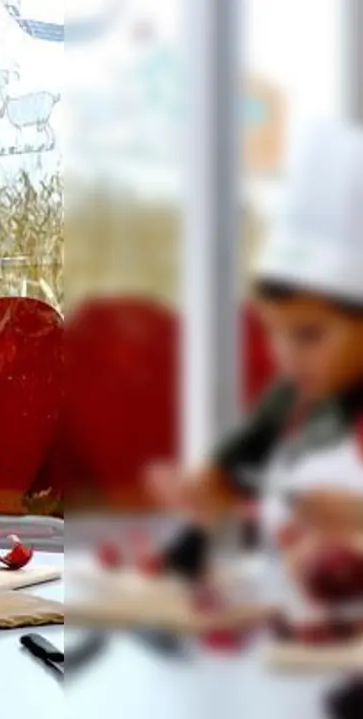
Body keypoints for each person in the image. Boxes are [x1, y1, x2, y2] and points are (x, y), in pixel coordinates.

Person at [147, 121, 363, 550]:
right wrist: (200, 489)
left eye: (309, 335)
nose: (287, 357)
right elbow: (229, 476)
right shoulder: (290, 398)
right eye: (275, 333)